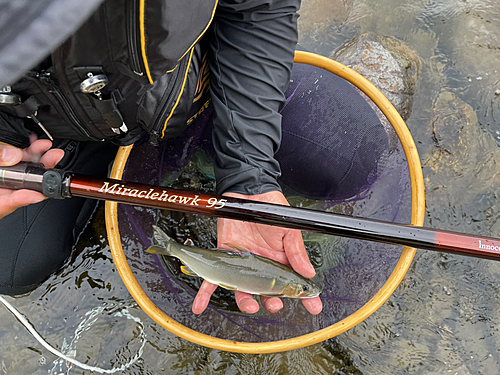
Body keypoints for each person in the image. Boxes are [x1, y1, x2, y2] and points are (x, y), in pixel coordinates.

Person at [0, 0, 388, 317]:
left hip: (193, 96)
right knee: (12, 267)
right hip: (37, 134)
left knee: (344, 147)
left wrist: (248, 171)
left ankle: (206, 155)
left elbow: (258, 9)